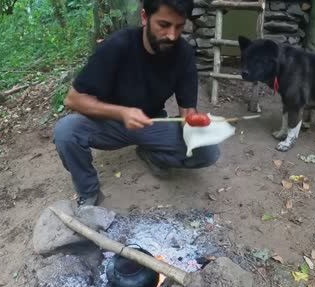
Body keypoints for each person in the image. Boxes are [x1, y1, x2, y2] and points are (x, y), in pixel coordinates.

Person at [53, 0, 220, 207]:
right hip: (109, 123)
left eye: (179, 26)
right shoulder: (117, 46)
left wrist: (194, 125)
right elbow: (73, 99)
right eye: (164, 25)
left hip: (152, 123)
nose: (172, 35)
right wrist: (122, 113)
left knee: (208, 149)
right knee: (66, 132)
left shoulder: (183, 53)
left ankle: (153, 155)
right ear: (144, 17)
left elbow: (187, 111)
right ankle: (89, 192)